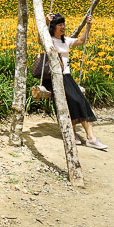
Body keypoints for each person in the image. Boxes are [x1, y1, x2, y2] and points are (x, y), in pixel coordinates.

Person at [43, 13, 107, 150]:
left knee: (81, 101)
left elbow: (80, 41)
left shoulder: (65, 40)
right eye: (60, 25)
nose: (63, 27)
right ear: (53, 27)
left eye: (63, 24)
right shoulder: (49, 40)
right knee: (74, 100)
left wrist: (88, 27)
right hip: (53, 77)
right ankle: (85, 136)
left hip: (66, 77)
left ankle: (90, 137)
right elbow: (39, 38)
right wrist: (45, 22)